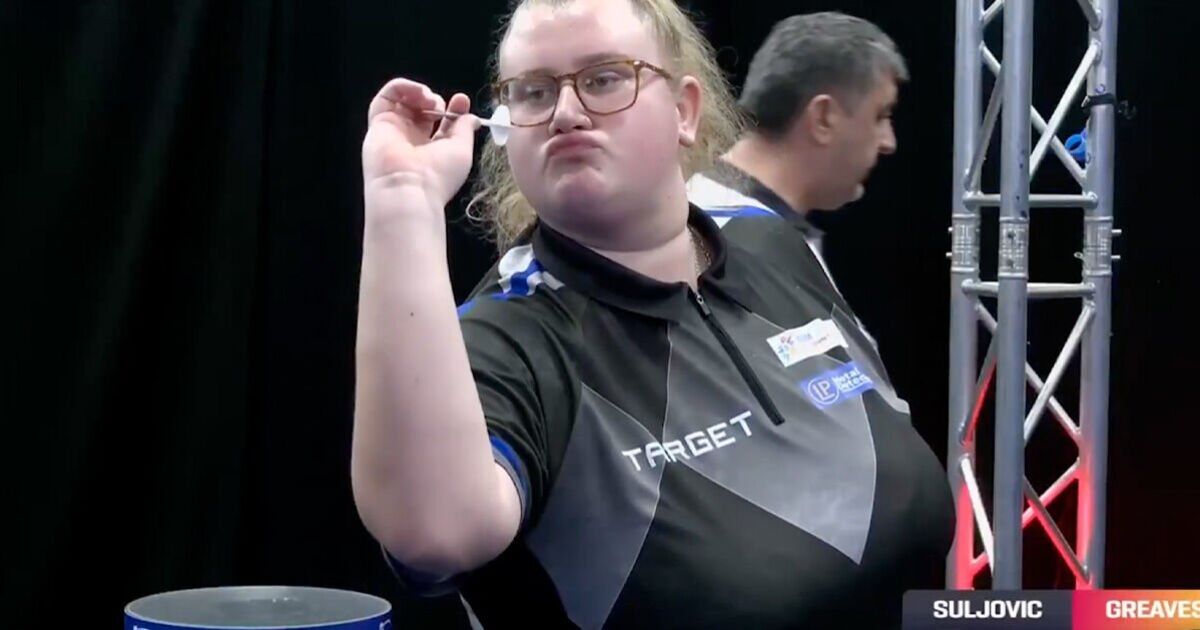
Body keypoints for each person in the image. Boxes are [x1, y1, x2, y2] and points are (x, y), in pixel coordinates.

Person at [352, 1, 952, 627]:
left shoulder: (769, 242)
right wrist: (403, 196)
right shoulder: (508, 340)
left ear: (684, 111)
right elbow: (435, 533)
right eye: (533, 92)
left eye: (604, 78)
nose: (565, 112)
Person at [687, 11, 907, 276]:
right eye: (880, 116)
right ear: (823, 118)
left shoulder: (716, 223)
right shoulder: (742, 252)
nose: (888, 142)